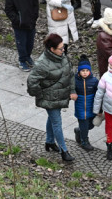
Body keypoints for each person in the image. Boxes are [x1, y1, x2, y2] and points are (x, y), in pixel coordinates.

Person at [25, 33, 77, 164]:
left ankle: (49, 141)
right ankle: (63, 151)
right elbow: (32, 82)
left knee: (53, 118)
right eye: (60, 48)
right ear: (52, 49)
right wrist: (40, 95)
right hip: (50, 98)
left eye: (63, 47)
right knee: (57, 123)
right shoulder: (42, 64)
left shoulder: (62, 56)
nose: (63, 50)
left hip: (60, 95)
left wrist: (72, 90)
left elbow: (70, 74)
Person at [5, 0, 40, 71]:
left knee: (30, 43)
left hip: (30, 22)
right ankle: (22, 60)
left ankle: (28, 57)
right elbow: (8, 9)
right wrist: (17, 20)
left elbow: (35, 4)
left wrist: (34, 17)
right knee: (21, 43)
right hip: (19, 24)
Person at [73, 55, 98, 152]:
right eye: (82, 71)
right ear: (79, 71)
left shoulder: (94, 81)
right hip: (80, 109)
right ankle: (84, 141)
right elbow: (70, 90)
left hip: (91, 108)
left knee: (91, 125)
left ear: (90, 71)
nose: (85, 73)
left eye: (87, 71)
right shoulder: (75, 81)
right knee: (84, 126)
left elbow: (99, 93)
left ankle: (78, 131)